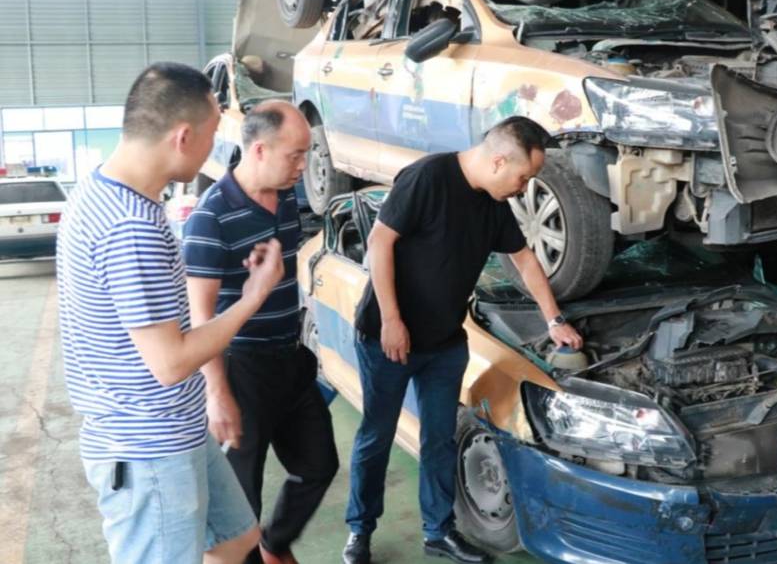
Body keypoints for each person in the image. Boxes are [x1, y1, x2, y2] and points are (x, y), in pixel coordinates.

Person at [57, 62, 285, 564]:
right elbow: (171, 362)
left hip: (171, 430)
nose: (216, 152)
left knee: (236, 538)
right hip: (147, 447)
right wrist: (252, 295)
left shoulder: (95, 190)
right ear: (183, 137)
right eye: (211, 137)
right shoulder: (131, 227)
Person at [343, 116, 584, 564]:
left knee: (439, 440)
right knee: (375, 437)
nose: (523, 187)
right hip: (388, 338)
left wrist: (554, 320)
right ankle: (360, 531)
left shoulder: (492, 201)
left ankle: (438, 532)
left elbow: (525, 259)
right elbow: (379, 241)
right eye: (523, 177)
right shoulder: (427, 178)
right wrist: (391, 319)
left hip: (444, 343)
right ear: (497, 161)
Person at [183, 101, 339, 564]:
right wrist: (216, 392)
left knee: (318, 464)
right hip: (240, 368)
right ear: (257, 150)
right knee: (240, 498)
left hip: (289, 360)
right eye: (294, 155)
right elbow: (200, 317)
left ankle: (275, 543)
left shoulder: (287, 194)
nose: (303, 167)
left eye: (305, 154)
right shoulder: (210, 219)